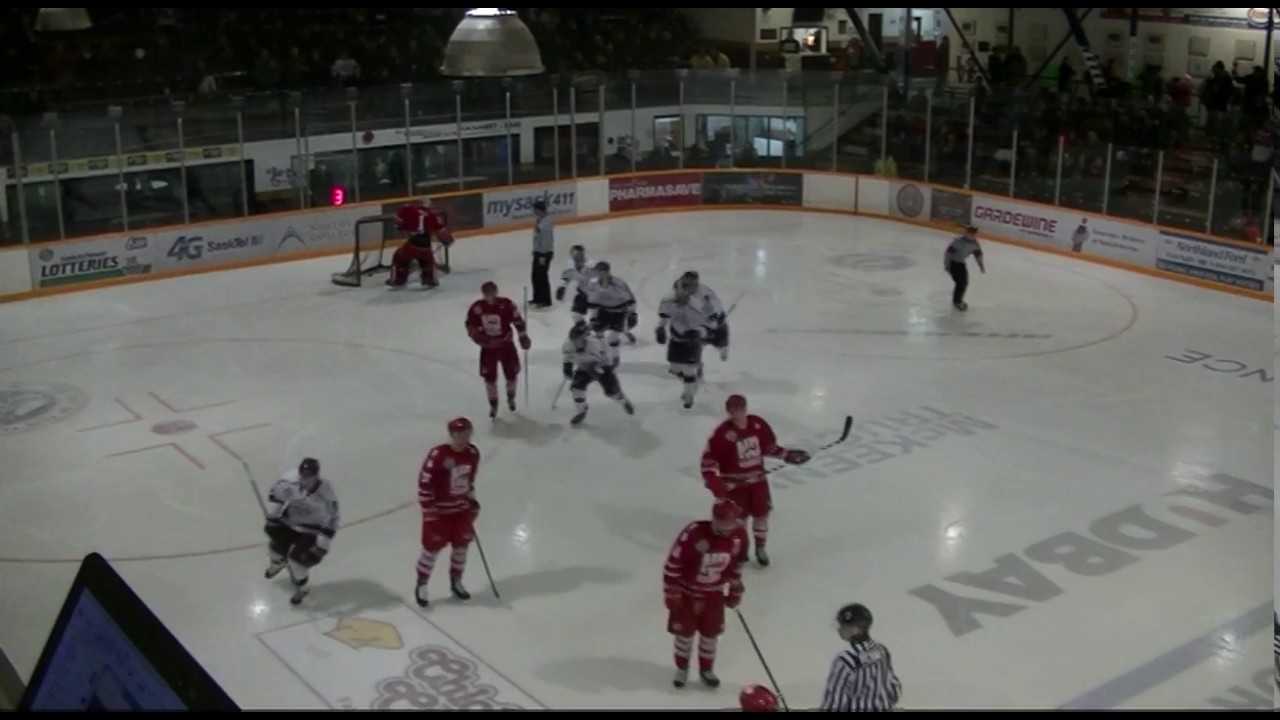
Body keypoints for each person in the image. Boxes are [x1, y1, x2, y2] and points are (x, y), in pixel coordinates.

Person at [700, 394, 811, 567]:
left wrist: (787, 455)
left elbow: (769, 447)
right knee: (739, 521)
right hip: (736, 487)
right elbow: (708, 465)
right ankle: (741, 550)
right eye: (732, 409)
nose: (736, 412)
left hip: (758, 483)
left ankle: (761, 547)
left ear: (745, 408)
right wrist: (718, 488)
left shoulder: (757, 425)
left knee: (761, 516)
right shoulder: (722, 434)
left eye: (739, 408)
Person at [663, 498, 749, 689]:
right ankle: (682, 668)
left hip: (714, 596)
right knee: (684, 634)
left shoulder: (739, 537)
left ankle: (706, 670)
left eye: (732, 522)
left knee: (710, 635)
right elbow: (674, 563)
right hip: (688, 594)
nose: (729, 527)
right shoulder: (694, 533)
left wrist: (735, 589)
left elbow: (736, 566)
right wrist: (672, 591)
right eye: (724, 522)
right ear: (715, 520)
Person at [415, 417, 481, 608]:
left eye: (467, 433)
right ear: (451, 434)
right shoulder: (438, 455)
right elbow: (424, 483)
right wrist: (429, 510)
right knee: (431, 550)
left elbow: (470, 480)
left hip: (461, 511)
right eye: (458, 434)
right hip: (439, 514)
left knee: (461, 547)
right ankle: (422, 584)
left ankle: (456, 580)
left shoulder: (473, 453)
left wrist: (472, 500)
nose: (463, 438)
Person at [263, 457, 340, 606]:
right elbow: (277, 495)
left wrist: (323, 544)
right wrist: (273, 515)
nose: (305, 480)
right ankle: (278, 562)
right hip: (290, 521)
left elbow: (333, 518)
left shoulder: (326, 493)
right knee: (274, 545)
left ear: (316, 475)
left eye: (309, 476)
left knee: (297, 562)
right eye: (303, 475)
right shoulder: (289, 480)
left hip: (312, 529)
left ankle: (302, 586)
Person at [466, 281, 532, 419]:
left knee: (511, 373)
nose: (489, 296)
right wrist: (478, 337)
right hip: (488, 348)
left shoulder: (506, 304)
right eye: (486, 293)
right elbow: (470, 325)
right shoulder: (477, 308)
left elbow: (517, 320)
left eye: (492, 292)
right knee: (489, 377)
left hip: (506, 346)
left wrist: (523, 336)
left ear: (496, 291)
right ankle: (493, 402)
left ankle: (511, 396)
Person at [819, 603, 903, 711]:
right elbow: (894, 688)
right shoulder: (881, 651)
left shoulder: (845, 660)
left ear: (855, 630)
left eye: (843, 626)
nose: (839, 629)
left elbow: (834, 703)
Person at [562, 321, 634, 425]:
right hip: (584, 368)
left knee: (612, 392)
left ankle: (623, 401)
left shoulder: (595, 343)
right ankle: (581, 411)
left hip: (602, 367)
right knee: (577, 388)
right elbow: (568, 357)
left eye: (579, 340)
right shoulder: (568, 344)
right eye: (574, 340)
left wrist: (597, 368)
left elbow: (606, 360)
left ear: (585, 337)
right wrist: (567, 367)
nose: (576, 343)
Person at [656, 280, 711, 409]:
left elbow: (707, 327)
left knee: (688, 371)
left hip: (691, 343)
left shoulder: (696, 307)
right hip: (676, 340)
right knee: (674, 369)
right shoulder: (668, 302)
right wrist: (660, 329)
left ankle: (689, 395)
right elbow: (664, 317)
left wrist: (697, 333)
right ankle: (693, 381)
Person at [389, 197, 454, 289]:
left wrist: (404, 228)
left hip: (412, 244)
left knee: (400, 257)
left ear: (418, 203)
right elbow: (443, 233)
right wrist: (448, 241)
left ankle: (399, 280)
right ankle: (429, 279)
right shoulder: (433, 216)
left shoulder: (408, 209)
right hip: (426, 247)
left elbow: (397, 224)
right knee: (428, 261)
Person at [583, 260, 637, 368]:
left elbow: (630, 299)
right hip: (603, 311)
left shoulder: (619, 283)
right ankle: (603, 356)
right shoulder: (593, 284)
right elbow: (593, 303)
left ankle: (615, 357)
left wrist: (632, 314)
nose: (599, 274)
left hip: (619, 312)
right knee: (598, 333)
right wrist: (593, 318)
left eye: (602, 271)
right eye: (598, 271)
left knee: (612, 336)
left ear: (607, 271)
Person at [677, 271, 730, 361]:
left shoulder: (705, 293)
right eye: (685, 284)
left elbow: (715, 303)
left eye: (690, 285)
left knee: (718, 335)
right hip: (696, 320)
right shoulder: (680, 288)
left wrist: (718, 314)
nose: (686, 288)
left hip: (709, 320)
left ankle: (721, 347)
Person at [944, 224, 985, 311]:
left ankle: (957, 300)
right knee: (961, 282)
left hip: (961, 264)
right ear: (966, 233)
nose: (972, 235)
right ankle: (957, 301)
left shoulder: (975, 244)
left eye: (973, 233)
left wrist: (981, 265)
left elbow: (978, 255)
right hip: (953, 263)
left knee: (963, 282)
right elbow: (948, 253)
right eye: (970, 233)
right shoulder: (958, 242)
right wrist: (947, 264)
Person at [555, 244, 594, 324]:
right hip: (582, 294)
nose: (578, 257)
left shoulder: (591, 265)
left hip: (595, 295)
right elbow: (567, 278)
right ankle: (583, 329)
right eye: (575, 255)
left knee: (595, 319)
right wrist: (562, 287)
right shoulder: (570, 265)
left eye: (580, 254)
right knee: (576, 315)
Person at [530, 199, 555, 308]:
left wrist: (543, 254)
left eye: (535, 209)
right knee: (535, 275)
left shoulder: (546, 222)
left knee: (542, 276)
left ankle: (545, 300)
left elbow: (546, 240)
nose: (534, 212)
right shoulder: (540, 220)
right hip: (538, 252)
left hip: (543, 253)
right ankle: (537, 298)